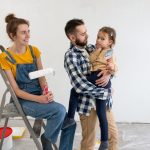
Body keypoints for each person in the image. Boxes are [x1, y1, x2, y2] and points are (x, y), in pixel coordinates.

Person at [0, 14, 76, 150]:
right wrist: (39, 99)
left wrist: (46, 91)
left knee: (70, 122)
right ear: (13, 36)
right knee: (60, 111)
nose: (28, 35)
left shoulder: (34, 51)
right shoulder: (5, 57)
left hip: (39, 95)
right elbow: (16, 90)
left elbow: (42, 77)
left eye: (28, 31)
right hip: (22, 100)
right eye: (23, 32)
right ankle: (46, 139)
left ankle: (49, 139)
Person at [64, 19, 119, 150]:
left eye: (86, 32)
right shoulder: (70, 56)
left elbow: (111, 65)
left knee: (113, 137)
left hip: (104, 102)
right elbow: (79, 85)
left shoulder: (93, 48)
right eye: (83, 34)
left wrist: (108, 73)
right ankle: (69, 117)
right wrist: (107, 92)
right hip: (86, 104)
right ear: (72, 37)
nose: (88, 36)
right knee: (89, 141)